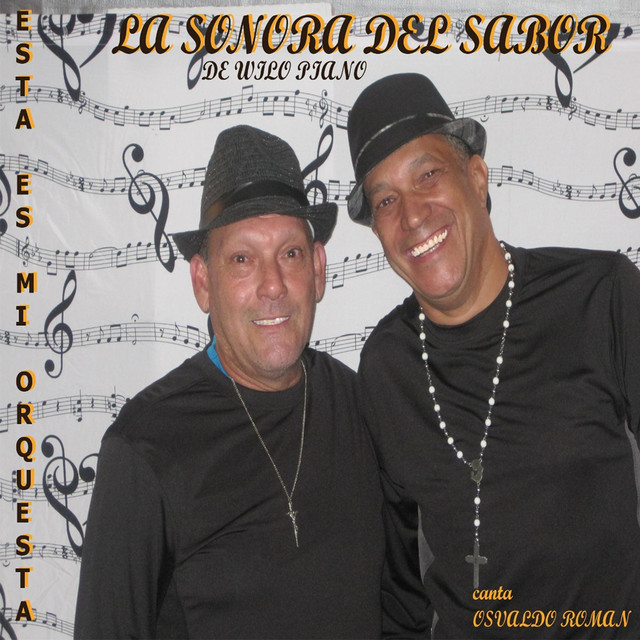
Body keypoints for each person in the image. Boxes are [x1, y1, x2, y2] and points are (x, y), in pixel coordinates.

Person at [346, 73, 640, 639]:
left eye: (427, 175)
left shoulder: (600, 294)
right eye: (385, 200)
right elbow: (400, 590)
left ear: (476, 178)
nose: (412, 215)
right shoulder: (386, 365)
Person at [74, 125, 384, 639]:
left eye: (290, 254)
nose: (272, 286)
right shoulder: (145, 446)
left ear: (318, 269)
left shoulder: (363, 407)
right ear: (203, 282)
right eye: (242, 259)